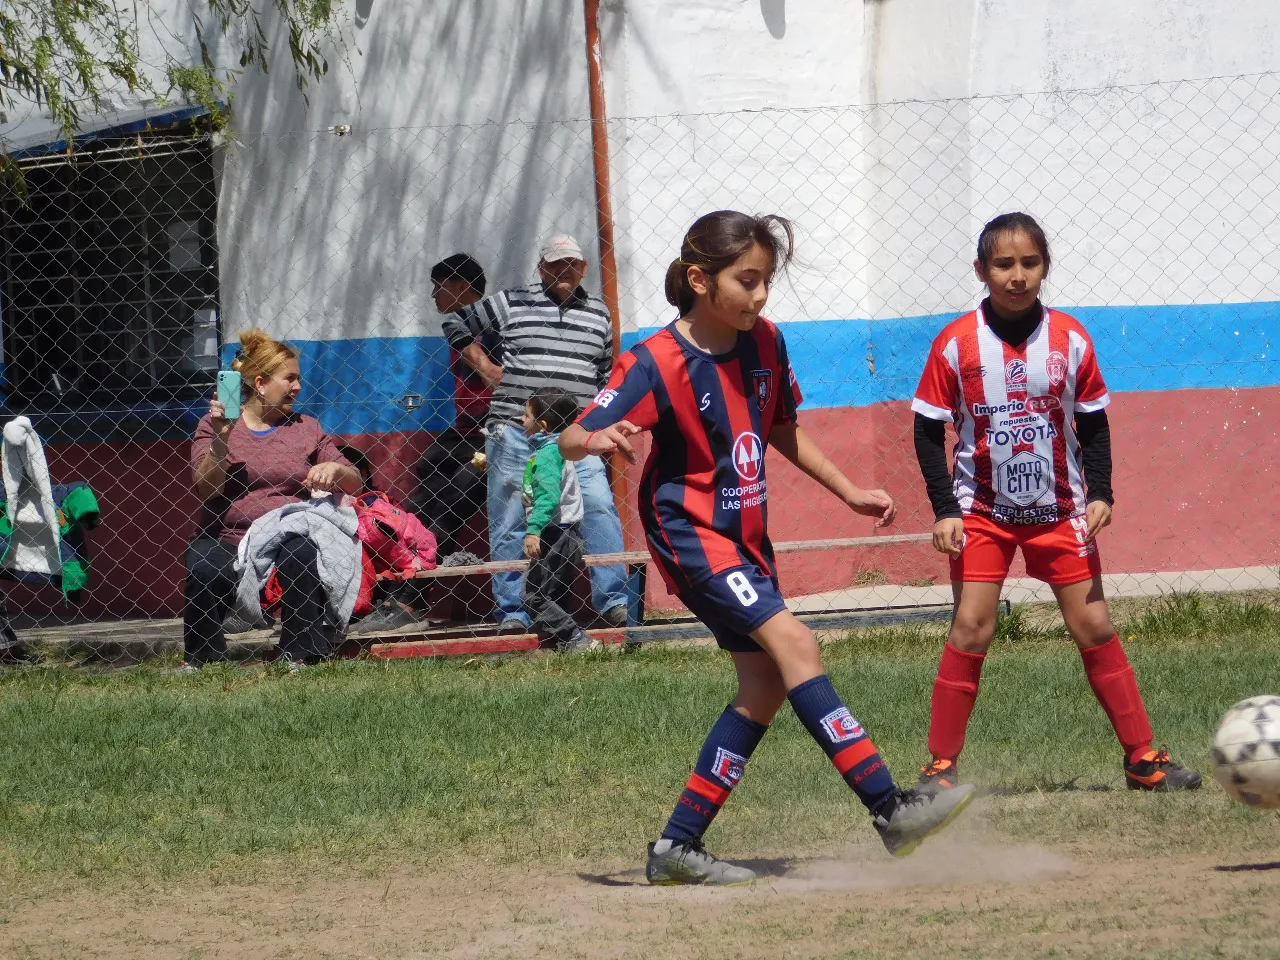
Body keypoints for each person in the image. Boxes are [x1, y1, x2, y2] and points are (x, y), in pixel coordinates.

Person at [560, 210, 975, 886]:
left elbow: (780, 427)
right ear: (699, 279)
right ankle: (889, 807)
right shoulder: (655, 360)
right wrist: (599, 440)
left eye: (765, 282)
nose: (758, 296)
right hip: (691, 536)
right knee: (797, 647)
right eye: (745, 280)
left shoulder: (767, 342)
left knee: (763, 685)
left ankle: (677, 848)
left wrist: (849, 489)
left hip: (746, 540)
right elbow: (571, 436)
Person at [910, 212, 1201, 793]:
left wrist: (1101, 492)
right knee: (971, 627)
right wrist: (945, 509)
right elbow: (926, 429)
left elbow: (1093, 423)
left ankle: (1142, 758)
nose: (1017, 276)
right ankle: (940, 767)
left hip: (1060, 513)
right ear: (981, 270)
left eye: (1030, 263)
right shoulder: (954, 345)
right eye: (1003, 264)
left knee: (1094, 625)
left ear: (1045, 267)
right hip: (980, 515)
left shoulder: (1071, 339)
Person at [443, 234, 629, 633]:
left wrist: (600, 423)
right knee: (510, 517)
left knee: (597, 507)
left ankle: (614, 602)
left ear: (584, 269)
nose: (565, 271)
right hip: (514, 430)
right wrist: (485, 367)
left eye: (573, 265)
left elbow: (601, 379)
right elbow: (455, 321)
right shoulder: (512, 302)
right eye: (556, 264)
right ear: (541, 268)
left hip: (576, 437)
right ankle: (512, 613)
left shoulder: (599, 314)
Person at [186, 328, 362, 667]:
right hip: (227, 534)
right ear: (261, 382)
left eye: (299, 379)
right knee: (204, 564)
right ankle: (203, 662)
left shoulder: (305, 427)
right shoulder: (215, 424)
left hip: (285, 532)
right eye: (290, 378)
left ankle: (299, 655)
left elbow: (354, 480)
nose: (298, 387)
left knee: (303, 552)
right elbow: (207, 489)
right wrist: (222, 437)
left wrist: (333, 468)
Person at [411, 254, 491, 559]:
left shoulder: (492, 330)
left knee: (452, 498)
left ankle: (414, 590)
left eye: (438, 285)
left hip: (490, 432)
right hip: (466, 432)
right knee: (426, 474)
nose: (434, 294)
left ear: (461, 286)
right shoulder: (458, 331)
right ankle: (407, 568)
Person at [520, 388, 593, 652]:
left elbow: (549, 498)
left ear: (542, 425)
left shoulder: (548, 455)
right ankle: (564, 643)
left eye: (526, 415)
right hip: (567, 533)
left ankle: (575, 637)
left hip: (554, 534)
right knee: (557, 593)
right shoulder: (556, 450)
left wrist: (533, 530)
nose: (521, 419)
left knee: (534, 596)